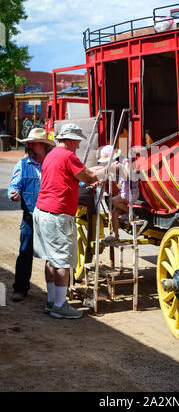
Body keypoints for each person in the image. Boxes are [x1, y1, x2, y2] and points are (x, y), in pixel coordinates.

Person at [32, 123, 103, 319]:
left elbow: (71, 177)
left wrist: (89, 175)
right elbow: (87, 177)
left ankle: (52, 301)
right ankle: (60, 306)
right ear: (70, 140)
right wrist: (105, 170)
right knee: (62, 262)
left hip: (43, 210)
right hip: (57, 213)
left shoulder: (52, 154)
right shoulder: (67, 156)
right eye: (77, 142)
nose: (78, 146)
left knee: (51, 260)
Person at [8, 128, 55, 302]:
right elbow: (14, 185)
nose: (29, 146)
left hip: (50, 215)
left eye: (33, 143)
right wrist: (13, 193)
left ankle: (55, 293)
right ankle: (20, 288)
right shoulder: (22, 164)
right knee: (25, 252)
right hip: (30, 216)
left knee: (53, 256)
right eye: (28, 143)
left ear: (43, 145)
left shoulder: (52, 163)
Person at [98, 145, 139, 244]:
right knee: (114, 213)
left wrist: (120, 168)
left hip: (131, 193)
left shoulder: (125, 162)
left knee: (112, 201)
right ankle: (116, 236)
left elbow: (128, 177)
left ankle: (131, 213)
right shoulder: (114, 168)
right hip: (124, 193)